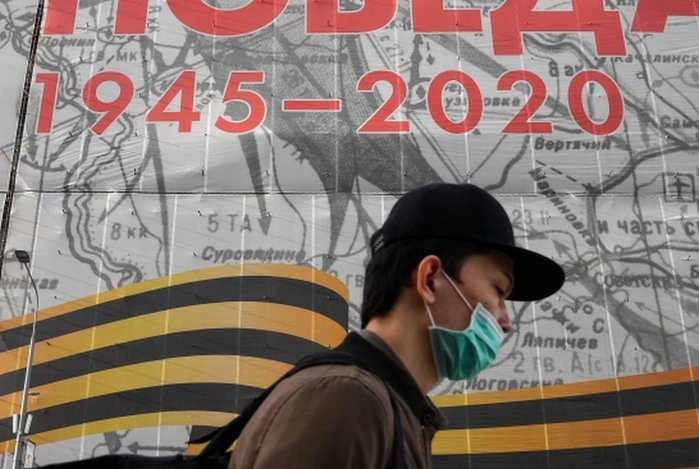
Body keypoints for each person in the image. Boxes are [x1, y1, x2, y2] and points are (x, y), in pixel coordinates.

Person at [227, 183, 565, 468]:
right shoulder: (347, 398)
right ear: (430, 279)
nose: (506, 324)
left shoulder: (387, 406)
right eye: (498, 290)